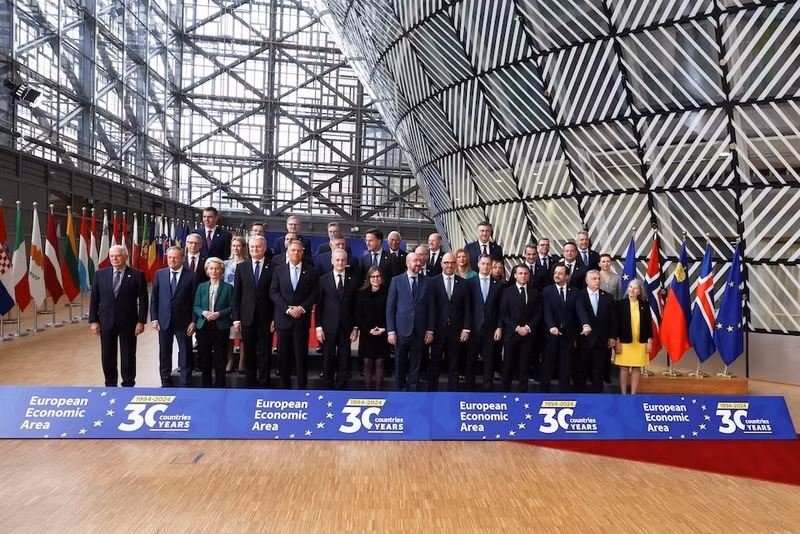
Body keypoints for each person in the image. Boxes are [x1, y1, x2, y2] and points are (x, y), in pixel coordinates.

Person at [89, 245, 148, 387]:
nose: (114, 258)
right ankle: (110, 383)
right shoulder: (100, 274)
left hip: (129, 322)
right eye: (112, 256)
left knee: (128, 354)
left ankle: (128, 383)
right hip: (106, 321)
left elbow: (144, 300)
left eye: (118, 256)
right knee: (107, 354)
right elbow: (94, 299)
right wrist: (93, 321)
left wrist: (141, 321)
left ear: (126, 257)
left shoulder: (137, 275)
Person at [271, 240, 318, 389]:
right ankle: (284, 387)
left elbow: (315, 293)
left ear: (303, 252)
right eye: (293, 250)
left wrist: (302, 308)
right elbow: (273, 292)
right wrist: (287, 308)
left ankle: (301, 386)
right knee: (283, 355)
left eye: (299, 251)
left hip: (301, 319)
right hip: (283, 318)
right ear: (288, 252)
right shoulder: (279, 270)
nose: (296, 253)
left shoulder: (311, 270)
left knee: (301, 355)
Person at [386, 252, 434, 392]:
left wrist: (430, 330)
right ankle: (400, 389)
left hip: (420, 330)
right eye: (415, 261)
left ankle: (412, 390)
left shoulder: (427, 281)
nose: (418, 263)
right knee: (400, 362)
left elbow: (431, 308)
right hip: (401, 330)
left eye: (420, 261)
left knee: (416, 362)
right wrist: (391, 331)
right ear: (408, 263)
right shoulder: (396, 281)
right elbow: (390, 308)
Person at [232, 235, 274, 387]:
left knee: (264, 352)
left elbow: (275, 294)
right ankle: (250, 381)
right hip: (246, 317)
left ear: (264, 248)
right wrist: (236, 318)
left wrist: (274, 318)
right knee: (249, 352)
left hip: (266, 318)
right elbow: (236, 294)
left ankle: (264, 381)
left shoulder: (273, 267)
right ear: (248, 249)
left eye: (258, 247)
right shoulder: (242, 267)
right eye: (252, 247)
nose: (255, 249)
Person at [151, 246, 196, 387]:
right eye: (169, 257)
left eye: (175, 257)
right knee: (164, 353)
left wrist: (193, 321)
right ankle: (165, 381)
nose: (172, 260)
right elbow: (154, 298)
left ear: (183, 258)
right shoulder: (160, 274)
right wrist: (154, 318)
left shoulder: (192, 276)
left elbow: (195, 301)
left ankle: (185, 382)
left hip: (184, 322)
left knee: (185, 353)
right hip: (164, 321)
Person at [315, 249, 359, 389]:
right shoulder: (323, 279)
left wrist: (356, 327)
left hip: (346, 327)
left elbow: (356, 305)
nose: (340, 263)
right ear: (332, 261)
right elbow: (319, 305)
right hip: (328, 327)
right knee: (328, 357)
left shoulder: (354, 279)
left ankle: (341, 386)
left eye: (343, 260)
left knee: (344, 357)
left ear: (347, 262)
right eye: (337, 260)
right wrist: (319, 327)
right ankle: (328, 386)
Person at [428, 253, 471, 391]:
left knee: (454, 365)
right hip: (437, 331)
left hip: (456, 331)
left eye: (452, 263)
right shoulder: (432, 282)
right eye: (446, 263)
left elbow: (467, 308)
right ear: (441, 264)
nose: (449, 265)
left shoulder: (463, 283)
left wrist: (466, 328)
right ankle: (431, 394)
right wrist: (429, 330)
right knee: (434, 364)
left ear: (456, 264)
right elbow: (430, 308)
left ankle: (454, 396)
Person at [499, 265, 541, 392]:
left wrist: (528, 327)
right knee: (508, 367)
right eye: (520, 273)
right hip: (511, 335)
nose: (523, 276)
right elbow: (504, 313)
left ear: (528, 275)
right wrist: (517, 328)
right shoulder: (507, 291)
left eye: (525, 273)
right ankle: (505, 394)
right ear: (515, 275)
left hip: (528, 336)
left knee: (524, 367)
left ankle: (523, 395)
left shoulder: (534, 292)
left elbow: (538, 312)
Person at [574, 270, 617, 393]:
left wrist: (613, 337)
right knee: (580, 371)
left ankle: (597, 398)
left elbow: (613, 320)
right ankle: (580, 397)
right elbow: (575, 318)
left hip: (601, 341)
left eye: (598, 278)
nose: (597, 281)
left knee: (598, 372)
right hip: (583, 341)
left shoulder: (608, 297)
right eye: (594, 278)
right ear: (587, 281)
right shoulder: (579, 296)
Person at [465, 255, 503, 391]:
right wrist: (466, 328)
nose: (486, 267)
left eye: (488, 264)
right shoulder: (469, 283)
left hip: (491, 329)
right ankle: (469, 389)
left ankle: (488, 390)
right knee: (470, 360)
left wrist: (499, 327)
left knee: (489, 360)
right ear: (478, 265)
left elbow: (501, 309)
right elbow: (466, 308)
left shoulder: (498, 284)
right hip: (473, 328)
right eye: (483, 264)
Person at [194, 257, 233, 388]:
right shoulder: (201, 287)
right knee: (204, 357)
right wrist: (203, 313)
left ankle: (220, 386)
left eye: (217, 268)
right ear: (207, 270)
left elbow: (231, 307)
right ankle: (206, 386)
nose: (214, 271)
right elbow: (196, 306)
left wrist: (219, 314)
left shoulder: (228, 288)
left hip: (221, 326)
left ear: (222, 271)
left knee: (220, 358)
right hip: (203, 326)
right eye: (211, 268)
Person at [541, 265, 576, 392]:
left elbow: (579, 311)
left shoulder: (574, 291)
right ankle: (543, 393)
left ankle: (564, 394)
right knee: (547, 364)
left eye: (560, 273)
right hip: (551, 334)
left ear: (567, 276)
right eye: (555, 272)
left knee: (565, 366)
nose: (557, 275)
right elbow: (546, 311)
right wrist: (551, 326)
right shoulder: (547, 291)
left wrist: (585, 324)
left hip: (568, 335)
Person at [615, 279, 652, 394]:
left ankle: (633, 394)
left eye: (635, 288)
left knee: (636, 368)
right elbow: (616, 324)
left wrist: (649, 341)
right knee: (624, 367)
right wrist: (617, 341)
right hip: (625, 341)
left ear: (639, 292)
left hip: (640, 342)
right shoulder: (620, 304)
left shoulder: (645, 305)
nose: (631, 289)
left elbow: (648, 324)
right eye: (630, 287)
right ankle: (623, 393)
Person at [356, 267, 390, 391]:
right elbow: (358, 315)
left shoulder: (388, 293)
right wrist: (368, 330)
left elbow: (390, 312)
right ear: (369, 278)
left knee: (380, 362)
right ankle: (368, 392)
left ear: (382, 278)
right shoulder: (361, 293)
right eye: (373, 277)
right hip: (367, 334)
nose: (376, 279)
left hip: (382, 333)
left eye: (378, 276)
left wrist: (384, 328)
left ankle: (378, 392)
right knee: (367, 362)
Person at [224, 236, 248, 373]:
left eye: (239, 246)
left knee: (242, 334)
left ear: (244, 248)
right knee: (229, 334)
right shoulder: (225, 264)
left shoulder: (248, 263)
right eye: (234, 246)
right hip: (227, 302)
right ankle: (230, 360)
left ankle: (242, 361)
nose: (236, 248)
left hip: (243, 302)